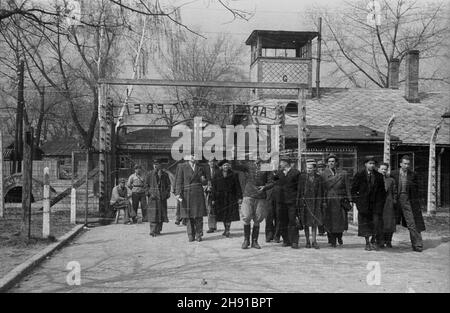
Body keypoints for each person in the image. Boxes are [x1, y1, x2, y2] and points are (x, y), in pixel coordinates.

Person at [390, 155, 425, 252]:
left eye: (408, 164)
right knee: (390, 221)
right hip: (395, 200)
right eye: (404, 163)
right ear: (400, 164)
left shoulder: (413, 174)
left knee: (412, 223)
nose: (406, 165)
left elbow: (416, 189)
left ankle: (417, 245)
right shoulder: (393, 173)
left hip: (407, 200)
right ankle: (385, 241)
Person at [237, 158, 274, 249]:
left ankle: (254, 241)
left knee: (258, 218)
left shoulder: (267, 167)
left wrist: (265, 187)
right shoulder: (248, 165)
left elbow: (272, 181)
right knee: (246, 216)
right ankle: (246, 240)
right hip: (248, 194)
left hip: (261, 196)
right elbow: (235, 166)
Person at [351, 156, 386, 251]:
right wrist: (357, 202)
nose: (372, 165)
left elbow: (382, 192)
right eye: (370, 163)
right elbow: (353, 190)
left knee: (376, 223)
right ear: (365, 164)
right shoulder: (359, 175)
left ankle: (373, 240)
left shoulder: (379, 176)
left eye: (373, 164)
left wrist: (381, 203)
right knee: (365, 224)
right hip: (364, 204)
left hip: (376, 204)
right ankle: (367, 242)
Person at [175, 153, 208, 242]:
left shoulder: (200, 167)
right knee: (189, 216)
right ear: (188, 157)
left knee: (198, 215)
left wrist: (204, 180)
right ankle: (190, 234)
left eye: (195, 155)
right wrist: (178, 193)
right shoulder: (182, 167)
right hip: (187, 194)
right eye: (191, 155)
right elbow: (179, 181)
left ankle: (199, 234)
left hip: (198, 193)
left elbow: (204, 181)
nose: (193, 157)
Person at [321, 154, 352, 247]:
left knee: (340, 220)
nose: (331, 163)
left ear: (336, 163)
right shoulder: (323, 174)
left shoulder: (343, 173)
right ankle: (332, 239)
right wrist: (323, 201)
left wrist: (349, 199)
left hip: (340, 199)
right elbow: (322, 189)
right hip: (329, 200)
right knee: (329, 220)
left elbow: (347, 187)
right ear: (327, 163)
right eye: (329, 161)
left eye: (333, 161)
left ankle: (339, 236)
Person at [298, 160, 326, 249]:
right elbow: (300, 191)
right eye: (307, 168)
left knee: (314, 223)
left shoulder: (319, 178)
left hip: (316, 203)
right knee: (306, 223)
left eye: (310, 168)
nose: (308, 170)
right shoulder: (302, 178)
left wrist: (322, 202)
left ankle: (314, 241)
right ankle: (307, 241)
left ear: (314, 168)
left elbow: (322, 191)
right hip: (305, 203)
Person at [274, 158, 301, 249]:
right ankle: (286, 240)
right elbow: (274, 183)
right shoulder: (278, 173)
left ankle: (294, 241)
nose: (280, 164)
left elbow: (299, 187)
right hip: (281, 201)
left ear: (286, 163)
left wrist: (298, 200)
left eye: (281, 162)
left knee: (292, 221)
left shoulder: (296, 173)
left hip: (292, 202)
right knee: (282, 221)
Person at [211, 160, 242, 237]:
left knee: (229, 214)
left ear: (229, 166)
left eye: (227, 165)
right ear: (221, 166)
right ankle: (226, 229)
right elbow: (214, 187)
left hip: (231, 197)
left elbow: (238, 187)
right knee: (223, 215)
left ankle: (227, 230)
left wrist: (239, 197)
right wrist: (213, 199)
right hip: (220, 197)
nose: (226, 167)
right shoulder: (217, 174)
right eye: (224, 165)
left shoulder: (234, 174)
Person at [146, 159, 171, 237]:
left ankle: (158, 230)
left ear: (161, 165)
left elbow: (168, 186)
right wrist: (150, 193)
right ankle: (152, 231)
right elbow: (146, 186)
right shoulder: (149, 174)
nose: (155, 166)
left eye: (157, 164)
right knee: (153, 214)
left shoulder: (165, 175)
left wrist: (166, 194)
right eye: (154, 164)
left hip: (162, 197)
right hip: (153, 198)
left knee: (161, 214)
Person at [378, 162, 397, 248]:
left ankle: (388, 241)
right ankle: (381, 241)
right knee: (379, 222)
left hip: (388, 204)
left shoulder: (391, 180)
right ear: (378, 169)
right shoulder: (375, 179)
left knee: (389, 223)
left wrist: (394, 201)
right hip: (378, 204)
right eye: (382, 169)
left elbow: (395, 192)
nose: (383, 171)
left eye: (385, 169)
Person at [205, 158, 219, 233]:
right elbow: (202, 180)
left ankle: (215, 225)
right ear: (208, 162)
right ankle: (211, 227)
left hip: (217, 192)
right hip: (209, 193)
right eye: (210, 161)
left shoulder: (218, 170)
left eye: (213, 161)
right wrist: (206, 186)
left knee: (216, 210)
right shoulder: (205, 170)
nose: (212, 163)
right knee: (210, 210)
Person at [316, 160, 326, 236]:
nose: (320, 168)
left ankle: (323, 229)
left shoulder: (325, 174)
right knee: (319, 214)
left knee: (324, 214)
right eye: (319, 167)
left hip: (325, 196)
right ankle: (321, 230)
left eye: (322, 167)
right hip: (318, 197)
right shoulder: (316, 175)